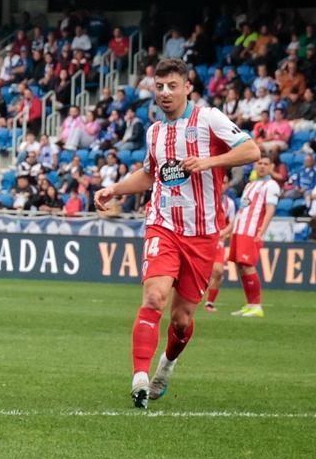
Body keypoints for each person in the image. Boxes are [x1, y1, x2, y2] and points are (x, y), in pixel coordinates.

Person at [95, 58, 260, 408]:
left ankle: (165, 368)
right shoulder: (155, 132)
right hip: (163, 224)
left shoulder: (209, 119)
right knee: (154, 297)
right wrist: (115, 190)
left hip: (201, 234)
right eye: (160, 87)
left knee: (183, 320)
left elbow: (251, 150)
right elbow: (150, 175)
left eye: (173, 86)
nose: (165, 93)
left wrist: (208, 162)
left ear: (188, 87)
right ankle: (139, 379)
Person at [228, 157, 280, 318]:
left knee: (248, 265)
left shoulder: (271, 185)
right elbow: (243, 208)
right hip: (239, 230)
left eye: (266, 164)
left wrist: (261, 231)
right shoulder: (250, 184)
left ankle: (257, 305)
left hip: (251, 231)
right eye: (260, 163)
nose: (262, 166)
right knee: (240, 266)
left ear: (271, 167)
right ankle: (250, 304)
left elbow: (270, 209)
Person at [202, 193, 237, 313]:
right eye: (222, 181)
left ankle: (209, 303)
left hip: (218, 240)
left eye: (225, 182)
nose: (222, 184)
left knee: (218, 271)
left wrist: (223, 233)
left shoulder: (229, 203)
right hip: (201, 238)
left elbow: (232, 222)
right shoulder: (204, 195)